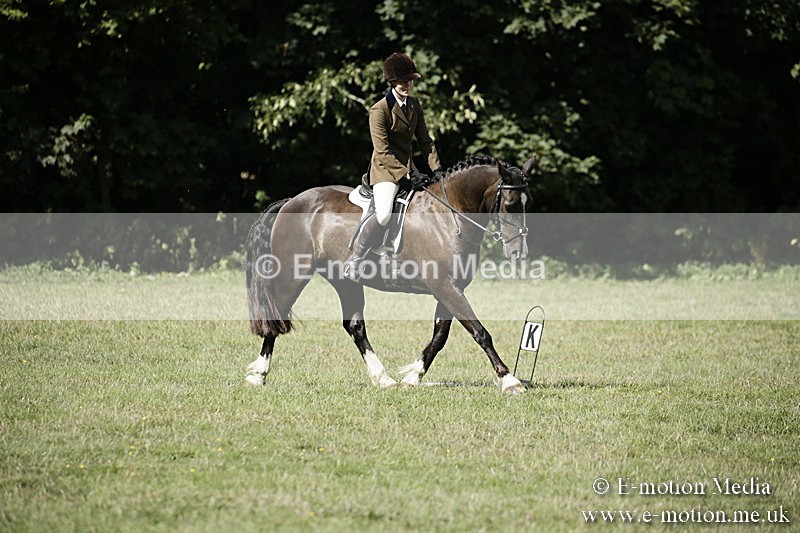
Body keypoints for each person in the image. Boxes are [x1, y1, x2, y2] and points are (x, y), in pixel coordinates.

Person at [343, 52, 443, 281]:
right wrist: (406, 174)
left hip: (410, 169)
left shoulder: (414, 105)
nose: (408, 85)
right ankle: (355, 259)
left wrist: (437, 170)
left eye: (411, 81)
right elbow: (382, 151)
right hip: (385, 171)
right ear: (392, 82)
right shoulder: (379, 110)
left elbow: (426, 141)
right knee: (385, 213)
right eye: (403, 81)